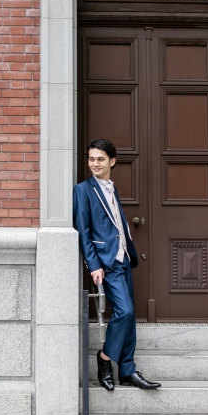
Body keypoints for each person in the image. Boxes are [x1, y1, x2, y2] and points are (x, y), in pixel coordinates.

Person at [72, 139, 160, 391]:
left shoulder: (111, 187)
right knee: (125, 312)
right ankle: (104, 359)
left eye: (100, 159)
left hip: (123, 260)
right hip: (106, 262)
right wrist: (93, 264)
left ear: (112, 161)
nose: (94, 163)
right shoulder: (83, 190)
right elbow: (83, 230)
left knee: (129, 317)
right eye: (91, 159)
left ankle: (128, 370)